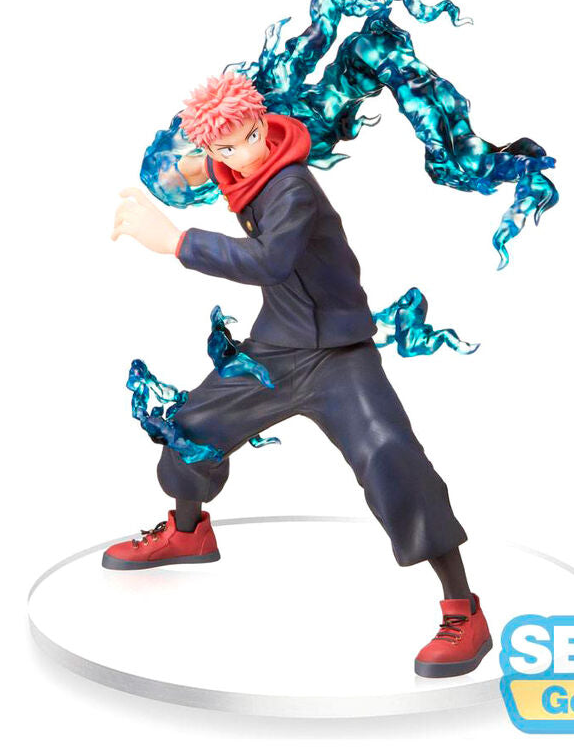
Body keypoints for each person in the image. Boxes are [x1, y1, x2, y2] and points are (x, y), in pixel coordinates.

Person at [107, 72, 491, 677]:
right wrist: (199, 168)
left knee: (391, 456)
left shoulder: (291, 185)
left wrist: (178, 242)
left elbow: (271, 261)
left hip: (339, 354)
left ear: (263, 122)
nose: (247, 149)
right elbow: (228, 170)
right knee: (192, 425)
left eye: (252, 134)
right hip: (277, 348)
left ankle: (463, 609)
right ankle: (188, 532)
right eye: (228, 146)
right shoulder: (241, 169)